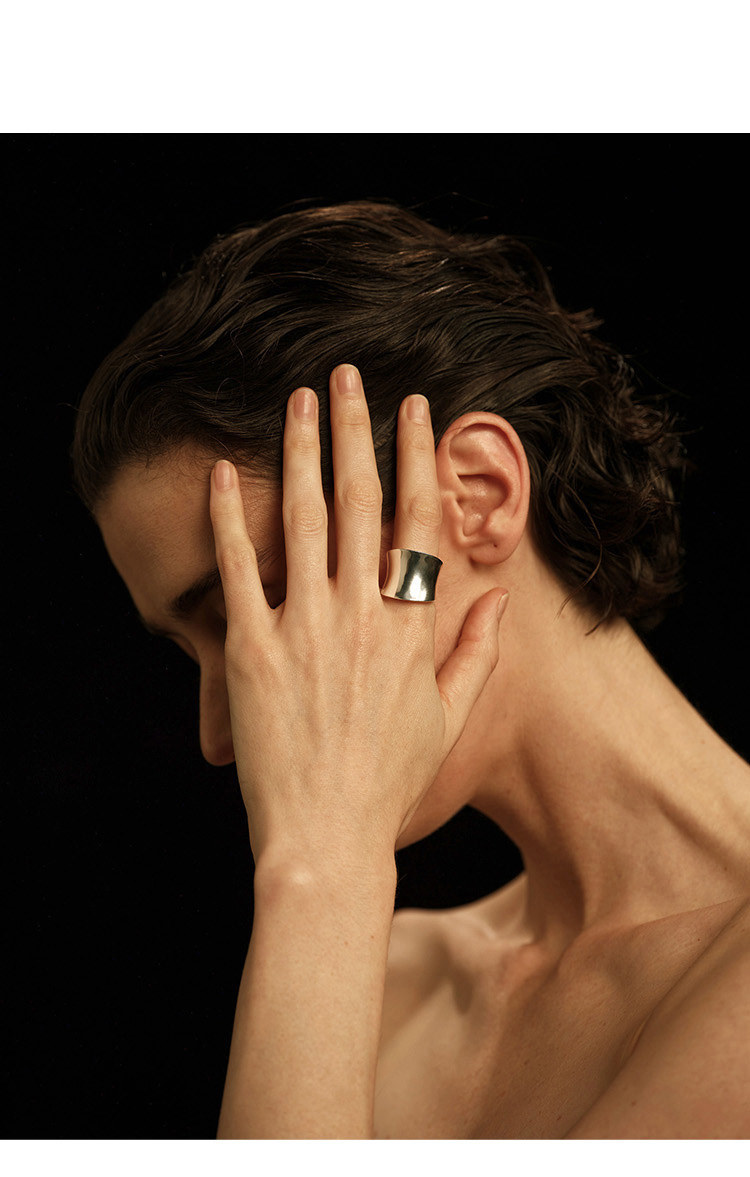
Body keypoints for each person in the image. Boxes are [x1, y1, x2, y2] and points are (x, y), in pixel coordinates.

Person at [70, 199, 750, 1139]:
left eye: (254, 605)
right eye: (193, 651)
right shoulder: (389, 981)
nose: (220, 735)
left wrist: (322, 867)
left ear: (475, 496)